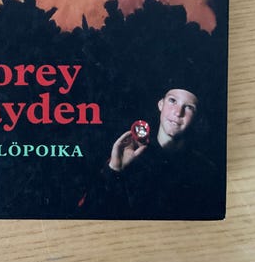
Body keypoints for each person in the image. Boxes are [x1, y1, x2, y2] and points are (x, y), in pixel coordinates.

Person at [81, 85, 225, 219]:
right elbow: (88, 215)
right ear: (160, 104)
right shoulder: (131, 156)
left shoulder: (205, 171)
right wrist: (114, 170)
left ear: (197, 117)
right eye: (172, 100)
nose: (178, 112)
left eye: (189, 107)